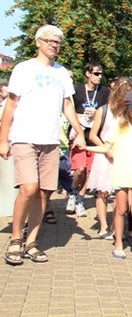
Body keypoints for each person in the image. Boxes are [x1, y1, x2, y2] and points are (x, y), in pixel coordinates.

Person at [0, 25, 86, 265]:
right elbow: (11, 105)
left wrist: (79, 132)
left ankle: (32, 242)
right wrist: (3, 139)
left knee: (43, 192)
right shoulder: (23, 69)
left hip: (50, 141)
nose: (54, 44)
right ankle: (16, 238)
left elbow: (67, 105)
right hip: (25, 137)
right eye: (49, 40)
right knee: (28, 188)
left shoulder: (61, 74)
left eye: (57, 41)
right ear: (38, 42)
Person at [88, 91, 132, 264]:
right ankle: (118, 243)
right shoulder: (118, 125)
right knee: (120, 209)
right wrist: (86, 148)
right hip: (121, 172)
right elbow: (105, 147)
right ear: (126, 108)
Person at [88, 77, 132, 239]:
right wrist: (106, 150)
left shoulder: (131, 112)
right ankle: (103, 227)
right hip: (104, 156)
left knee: (120, 192)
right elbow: (93, 135)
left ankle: (116, 227)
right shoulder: (104, 110)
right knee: (103, 192)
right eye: (125, 93)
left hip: (122, 156)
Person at [68, 62, 110, 217]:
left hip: (95, 136)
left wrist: (97, 116)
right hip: (79, 135)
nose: (100, 77)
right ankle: (72, 191)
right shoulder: (77, 91)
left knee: (89, 171)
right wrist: (82, 116)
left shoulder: (104, 92)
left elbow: (107, 112)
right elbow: (68, 110)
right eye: (96, 73)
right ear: (87, 74)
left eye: (101, 74)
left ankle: (79, 199)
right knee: (79, 169)